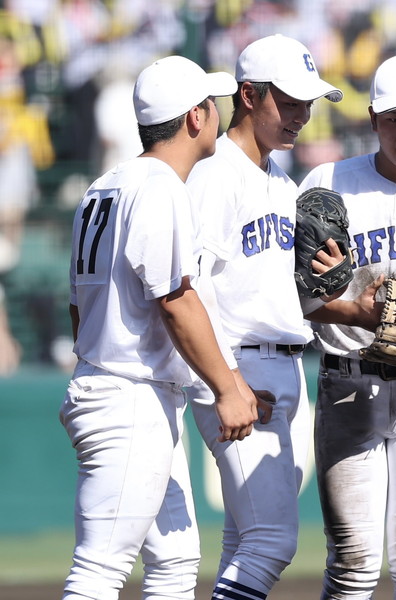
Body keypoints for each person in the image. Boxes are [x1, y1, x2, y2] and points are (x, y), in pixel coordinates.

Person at [59, 55, 261, 599]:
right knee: (99, 570)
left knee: (175, 561)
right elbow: (175, 299)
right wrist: (226, 387)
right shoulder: (159, 185)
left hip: (120, 385)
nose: (219, 115)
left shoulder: (104, 184)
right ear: (195, 118)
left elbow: (78, 306)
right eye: (212, 106)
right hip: (128, 396)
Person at [184, 34, 344, 600]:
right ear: (247, 94)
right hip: (239, 365)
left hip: (284, 364)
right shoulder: (215, 174)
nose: (302, 115)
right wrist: (228, 380)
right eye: (289, 101)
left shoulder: (280, 180)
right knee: (273, 541)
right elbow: (188, 289)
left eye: (308, 103)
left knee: (243, 540)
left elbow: (285, 291)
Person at [298, 52, 396, 600]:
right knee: (354, 564)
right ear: (372, 118)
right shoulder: (329, 182)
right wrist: (357, 313)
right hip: (347, 381)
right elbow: (301, 295)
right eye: (393, 119)